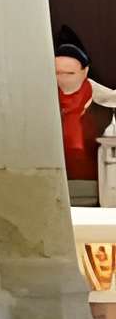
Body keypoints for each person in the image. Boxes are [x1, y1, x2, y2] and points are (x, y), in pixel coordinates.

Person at [55, 29, 116, 195]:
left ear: (85, 71)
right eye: (57, 73)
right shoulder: (49, 91)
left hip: (88, 170)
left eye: (69, 73)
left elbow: (111, 97)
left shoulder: (91, 88)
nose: (63, 78)